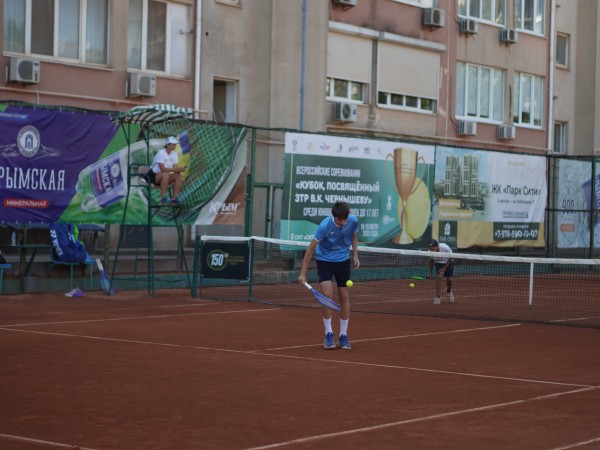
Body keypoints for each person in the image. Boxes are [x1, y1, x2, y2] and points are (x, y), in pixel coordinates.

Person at [298, 201, 360, 350]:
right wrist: (303, 274)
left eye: (345, 219)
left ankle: (343, 335)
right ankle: (328, 333)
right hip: (324, 261)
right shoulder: (324, 226)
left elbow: (353, 236)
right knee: (327, 295)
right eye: (340, 220)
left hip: (343, 261)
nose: (343, 222)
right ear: (334, 217)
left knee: (344, 296)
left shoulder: (353, 221)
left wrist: (355, 255)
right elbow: (310, 249)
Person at [147, 136, 187, 205]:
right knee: (165, 174)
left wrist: (181, 169)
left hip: (164, 176)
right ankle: (162, 199)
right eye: (173, 144)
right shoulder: (161, 153)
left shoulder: (174, 154)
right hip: (153, 176)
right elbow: (163, 169)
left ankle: (174, 199)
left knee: (178, 176)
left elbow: (175, 170)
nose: (175, 146)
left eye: (175, 144)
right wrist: (176, 169)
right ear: (167, 144)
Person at [427, 239, 455, 304]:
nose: (431, 250)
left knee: (449, 279)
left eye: (432, 248)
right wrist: (430, 273)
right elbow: (431, 262)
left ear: (437, 246)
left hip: (448, 262)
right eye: (430, 248)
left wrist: (444, 268)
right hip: (438, 263)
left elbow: (451, 258)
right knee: (439, 276)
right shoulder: (429, 253)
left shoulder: (445, 248)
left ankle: (449, 291)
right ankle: (438, 296)